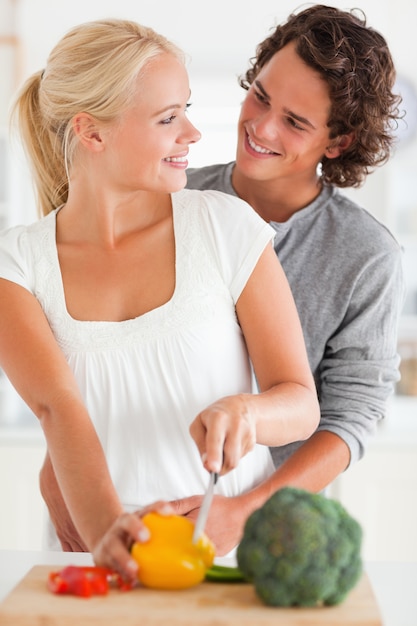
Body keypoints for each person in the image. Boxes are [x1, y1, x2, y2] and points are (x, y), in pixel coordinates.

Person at [0, 19, 319, 579]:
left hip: (233, 561)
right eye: (169, 118)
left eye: (187, 110)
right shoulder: (17, 265)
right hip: (98, 563)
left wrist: (247, 410)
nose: (192, 134)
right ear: (91, 132)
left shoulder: (224, 227)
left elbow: (300, 403)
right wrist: (108, 537)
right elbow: (58, 410)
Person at [179, 2, 405, 542]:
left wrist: (248, 511)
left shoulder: (367, 254)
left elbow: (351, 415)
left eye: (295, 122)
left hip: (267, 519)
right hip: (137, 487)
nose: (260, 126)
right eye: (260, 94)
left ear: (338, 142)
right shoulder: (173, 200)